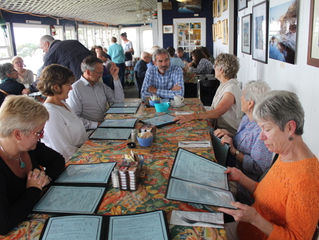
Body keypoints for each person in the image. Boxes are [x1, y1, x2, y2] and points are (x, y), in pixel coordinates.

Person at [218, 90, 319, 240]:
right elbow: (268, 196)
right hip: (245, 230)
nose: (261, 136)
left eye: (267, 129)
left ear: (290, 128)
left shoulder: (305, 180)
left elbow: (298, 238)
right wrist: (241, 178)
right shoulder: (285, 154)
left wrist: (255, 219)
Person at [0, 95, 65, 235]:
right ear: (18, 134)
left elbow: (57, 160)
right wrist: (34, 190)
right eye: (39, 132)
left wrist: (45, 178)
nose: (41, 136)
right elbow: (3, 224)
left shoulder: (29, 147)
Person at [214, 81, 273, 204]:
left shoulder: (261, 131)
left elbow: (258, 168)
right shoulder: (247, 118)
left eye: (243, 96)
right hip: (233, 167)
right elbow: (242, 142)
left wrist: (234, 151)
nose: (240, 98)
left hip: (244, 183)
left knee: (209, 186)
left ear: (250, 103)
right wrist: (229, 134)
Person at [175, 53, 241, 135]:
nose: (214, 68)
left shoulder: (231, 88)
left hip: (227, 133)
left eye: (215, 66)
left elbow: (217, 112)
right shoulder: (225, 84)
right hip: (218, 128)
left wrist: (193, 116)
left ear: (221, 70)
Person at [37, 64, 87, 161]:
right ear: (56, 87)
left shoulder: (63, 104)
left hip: (81, 155)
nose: (71, 88)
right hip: (71, 163)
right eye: (68, 85)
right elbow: (64, 150)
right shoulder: (50, 113)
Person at [67, 56, 124, 130]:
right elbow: (74, 118)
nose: (101, 76)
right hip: (88, 130)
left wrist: (115, 77)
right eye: (99, 73)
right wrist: (96, 125)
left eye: (102, 72)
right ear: (88, 72)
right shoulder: (75, 89)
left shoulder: (100, 85)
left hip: (104, 125)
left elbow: (119, 101)